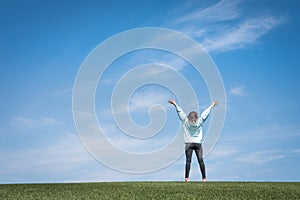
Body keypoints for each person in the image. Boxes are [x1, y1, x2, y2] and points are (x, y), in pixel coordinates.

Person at [168, 99, 218, 182]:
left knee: (188, 161)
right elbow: (205, 114)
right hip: (198, 144)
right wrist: (212, 106)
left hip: (189, 144)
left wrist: (175, 104)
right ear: (196, 117)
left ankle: (187, 178)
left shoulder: (185, 121)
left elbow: (180, 112)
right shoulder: (200, 121)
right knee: (200, 160)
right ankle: (204, 178)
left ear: (189, 117)